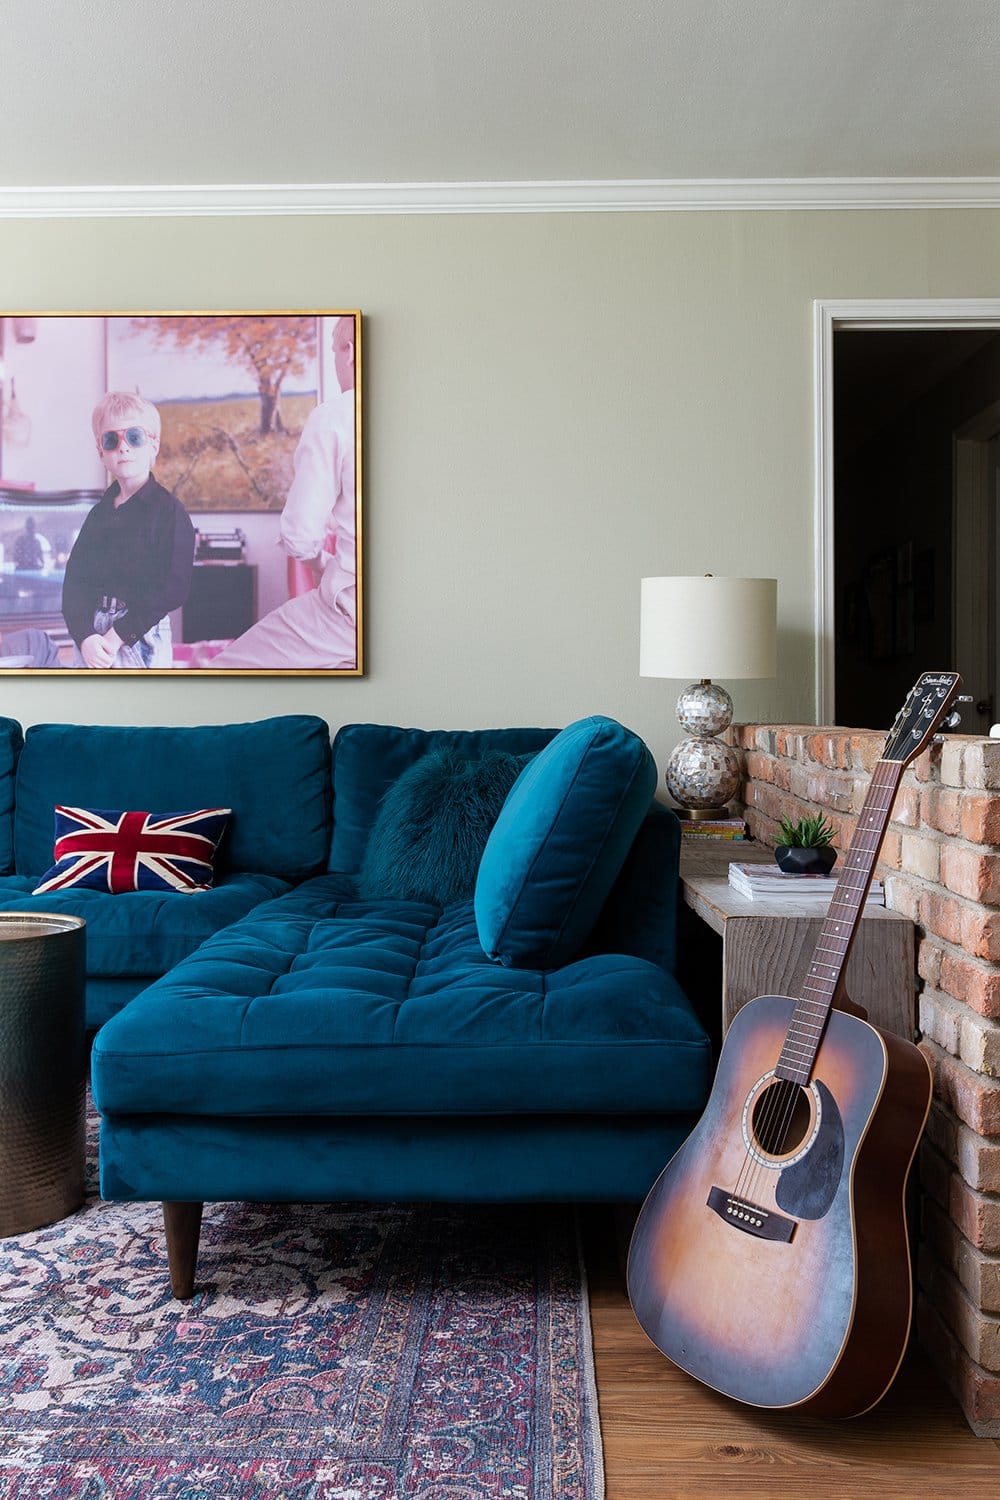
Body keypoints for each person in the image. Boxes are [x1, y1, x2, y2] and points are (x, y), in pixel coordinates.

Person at [208, 316, 357, 669]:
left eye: (334, 350)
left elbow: (299, 535)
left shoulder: (334, 415)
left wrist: (322, 564)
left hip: (347, 617)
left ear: (349, 352)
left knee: (220, 672)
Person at [62, 393, 196, 669]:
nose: (123, 448)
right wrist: (85, 637)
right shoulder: (98, 514)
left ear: (154, 445)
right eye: (111, 440)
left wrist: (118, 636)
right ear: (101, 451)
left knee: (142, 710)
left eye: (134, 437)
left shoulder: (169, 512)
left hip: (142, 634)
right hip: (93, 635)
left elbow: (173, 588)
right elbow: (75, 581)